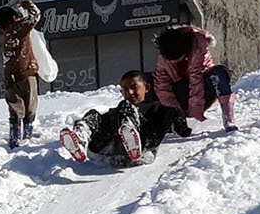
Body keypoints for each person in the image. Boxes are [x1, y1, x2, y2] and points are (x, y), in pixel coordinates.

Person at [63, 70, 192, 166]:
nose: (129, 92)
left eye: (134, 87)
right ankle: (80, 139)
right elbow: (102, 123)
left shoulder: (158, 109)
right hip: (108, 150)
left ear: (146, 88)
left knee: (128, 107)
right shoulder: (117, 111)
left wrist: (182, 128)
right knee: (94, 114)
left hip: (143, 149)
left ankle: (131, 135)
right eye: (125, 89)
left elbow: (175, 113)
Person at [153, 24, 238, 132]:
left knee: (218, 73)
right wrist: (176, 115)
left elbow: (196, 79)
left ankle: (228, 118)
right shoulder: (164, 56)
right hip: (182, 92)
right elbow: (162, 87)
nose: (174, 62)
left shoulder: (198, 45)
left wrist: (196, 113)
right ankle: (160, 124)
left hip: (204, 89)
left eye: (178, 59)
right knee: (145, 82)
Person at [0, 0, 42, 150]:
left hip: (10, 78)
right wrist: (28, 4)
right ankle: (27, 138)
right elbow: (35, 16)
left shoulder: (6, 36)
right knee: (30, 108)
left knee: (15, 110)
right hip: (26, 74)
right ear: (13, 18)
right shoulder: (18, 28)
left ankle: (14, 140)